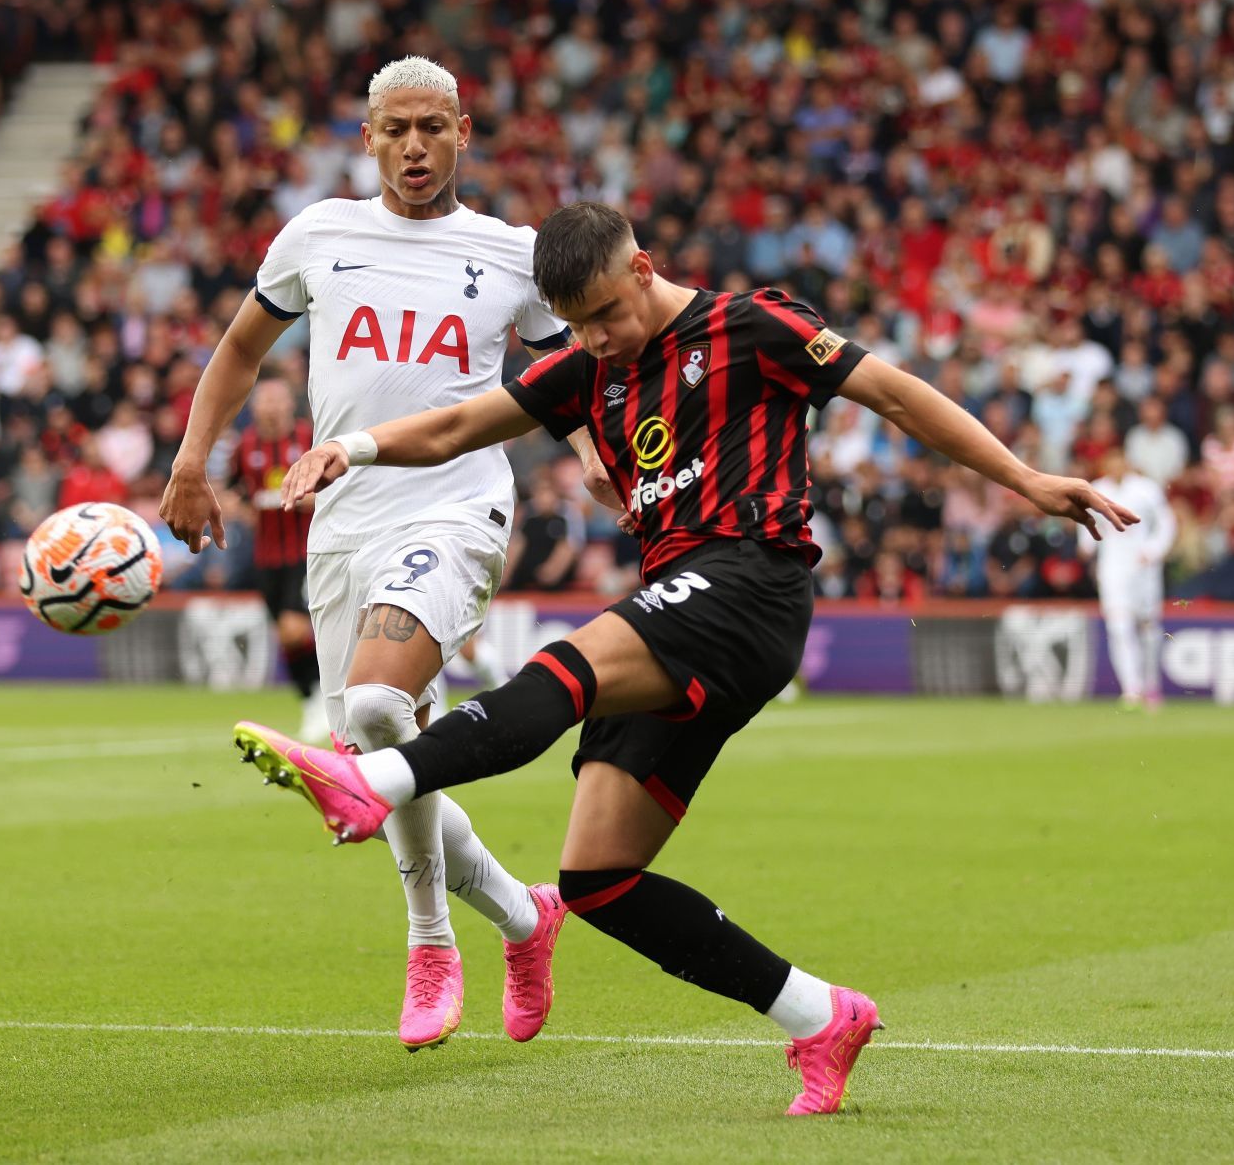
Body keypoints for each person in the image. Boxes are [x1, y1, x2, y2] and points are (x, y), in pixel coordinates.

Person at [239, 202, 1133, 1115]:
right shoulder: (591, 370)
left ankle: (376, 781)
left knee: (569, 666)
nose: (593, 339)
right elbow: (458, 426)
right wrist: (349, 447)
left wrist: (1025, 479)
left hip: (752, 581)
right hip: (681, 597)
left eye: (603, 315)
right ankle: (821, 1017)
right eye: (574, 325)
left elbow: (896, 394)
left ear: (643, 268)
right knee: (598, 879)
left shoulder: (752, 327)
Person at [158, 57, 610, 1051]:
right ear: (368, 138)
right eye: (396, 128)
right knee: (383, 760)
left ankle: (430, 940)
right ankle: (528, 920)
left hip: (455, 513)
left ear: (463, 132)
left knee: (370, 709)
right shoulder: (319, 235)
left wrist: (596, 454)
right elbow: (240, 349)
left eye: (433, 128)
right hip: (341, 523)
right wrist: (193, 460)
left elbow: (583, 357)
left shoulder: (511, 253)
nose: (415, 146)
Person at [232, 378, 327, 741]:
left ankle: (323, 698)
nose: (270, 408)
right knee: (287, 638)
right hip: (266, 557)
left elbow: (341, 485)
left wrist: (317, 500)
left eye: (276, 400)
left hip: (305, 551)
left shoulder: (310, 439)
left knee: (293, 627)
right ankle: (310, 700)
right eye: (263, 401)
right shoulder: (246, 445)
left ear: (290, 404)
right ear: (254, 407)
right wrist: (239, 506)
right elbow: (235, 489)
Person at [1080, 446, 1175, 711]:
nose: (1116, 467)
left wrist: (1154, 550)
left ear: (1127, 463)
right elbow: (1087, 522)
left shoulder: (1146, 489)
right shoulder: (1096, 489)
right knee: (1119, 627)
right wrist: (1087, 545)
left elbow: (1166, 523)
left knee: (1149, 630)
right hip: (1112, 567)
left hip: (1143, 567)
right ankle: (1131, 689)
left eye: (1120, 461)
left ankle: (1151, 686)